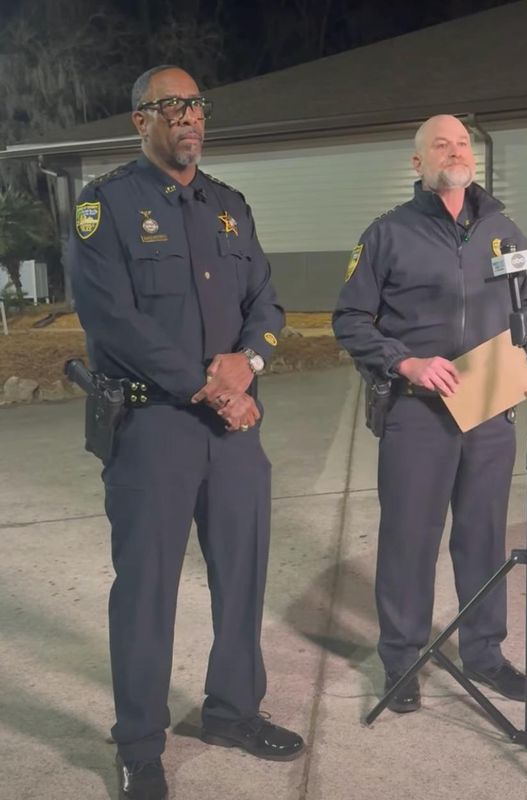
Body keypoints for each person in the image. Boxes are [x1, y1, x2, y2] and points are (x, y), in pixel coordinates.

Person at [69, 65, 304, 800]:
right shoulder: (104, 207)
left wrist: (251, 361)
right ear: (140, 121)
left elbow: (266, 303)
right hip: (153, 429)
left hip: (234, 435)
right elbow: (114, 321)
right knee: (146, 591)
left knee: (242, 577)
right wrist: (213, 385)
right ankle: (140, 743)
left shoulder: (229, 207)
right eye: (170, 107)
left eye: (196, 104)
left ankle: (232, 710)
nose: (188, 118)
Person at [332, 114, 527, 713]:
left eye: (462, 143)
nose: (455, 152)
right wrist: (404, 362)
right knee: (409, 540)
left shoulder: (503, 230)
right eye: (441, 144)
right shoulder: (386, 234)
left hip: (488, 408)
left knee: (482, 537)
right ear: (418, 163)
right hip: (417, 414)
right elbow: (349, 319)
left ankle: (484, 654)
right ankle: (401, 662)